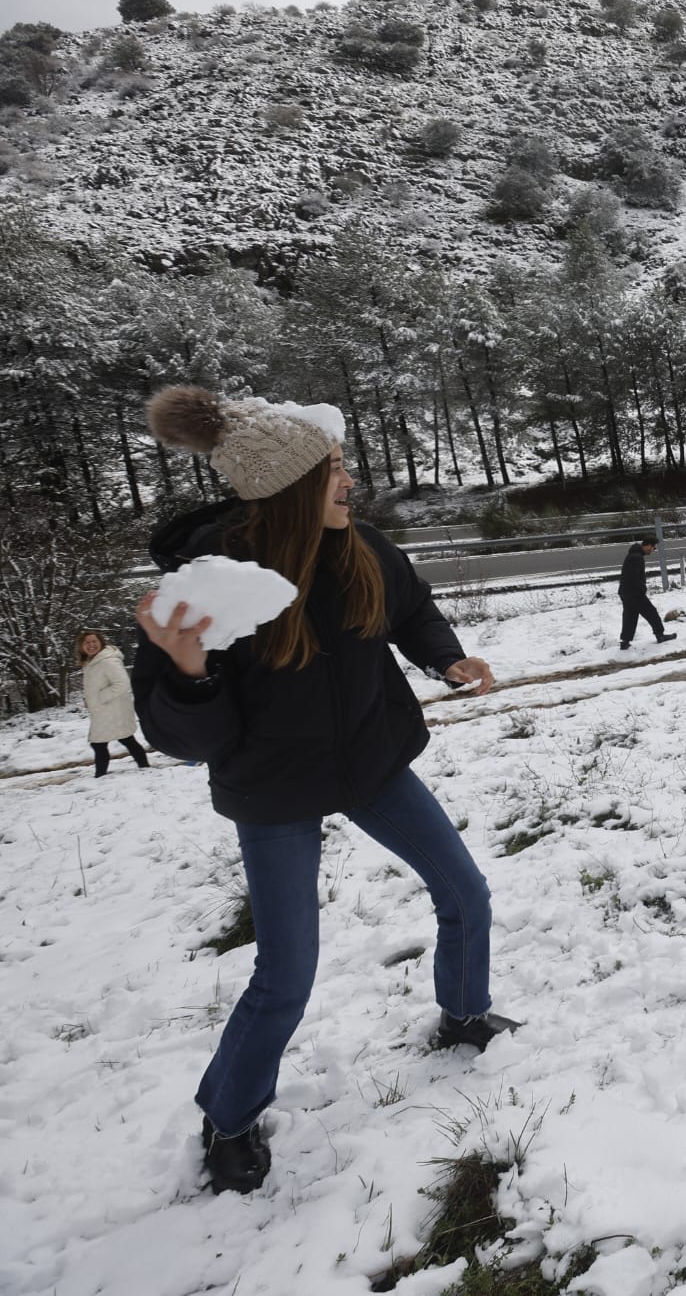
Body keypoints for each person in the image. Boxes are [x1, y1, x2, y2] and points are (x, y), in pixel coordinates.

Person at [133, 386, 517, 1197]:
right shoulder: (214, 587)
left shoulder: (360, 546)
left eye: (343, 465)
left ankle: (464, 1012)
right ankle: (231, 1117)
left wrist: (444, 657)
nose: (351, 482)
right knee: (287, 972)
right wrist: (190, 672)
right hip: (276, 790)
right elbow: (178, 736)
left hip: (370, 762)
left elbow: (412, 609)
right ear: (289, 490)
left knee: (466, 891)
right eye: (334, 470)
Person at [76, 630, 150, 776]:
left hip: (112, 709)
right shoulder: (91, 662)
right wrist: (89, 699)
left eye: (94, 641)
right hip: (106, 709)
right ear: (81, 646)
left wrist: (99, 697)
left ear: (101, 643)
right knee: (126, 739)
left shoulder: (107, 661)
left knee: (99, 743)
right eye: (87, 642)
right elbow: (99, 685)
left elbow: (123, 683)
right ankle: (145, 767)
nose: (91, 645)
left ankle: (100, 776)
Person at [618, 535, 676, 650]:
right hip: (634, 593)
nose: (653, 550)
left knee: (630, 616)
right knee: (652, 613)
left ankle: (625, 642)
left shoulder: (633, 554)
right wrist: (642, 588)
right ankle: (660, 635)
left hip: (625, 592)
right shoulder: (637, 557)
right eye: (653, 547)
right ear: (648, 545)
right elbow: (632, 577)